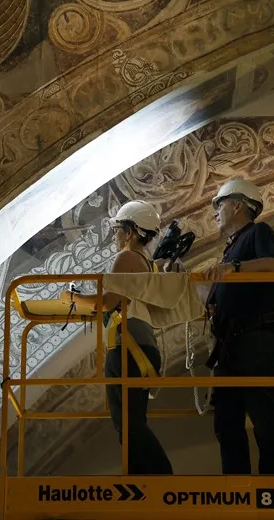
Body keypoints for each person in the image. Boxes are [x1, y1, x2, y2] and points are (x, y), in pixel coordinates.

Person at [60, 200, 173, 475]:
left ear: (131, 231)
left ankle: (160, 477)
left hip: (127, 348)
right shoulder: (149, 264)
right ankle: (144, 478)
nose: (115, 235)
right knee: (133, 420)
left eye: (118, 229)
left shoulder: (126, 258)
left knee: (128, 423)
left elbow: (108, 302)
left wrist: (72, 298)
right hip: (142, 347)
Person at [202, 178, 274, 475]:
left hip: (254, 336)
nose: (215, 212)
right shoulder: (231, 250)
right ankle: (236, 486)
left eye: (219, 205)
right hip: (232, 343)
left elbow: (273, 266)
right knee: (226, 419)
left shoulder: (258, 232)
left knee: (260, 409)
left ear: (237, 205)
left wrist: (235, 268)